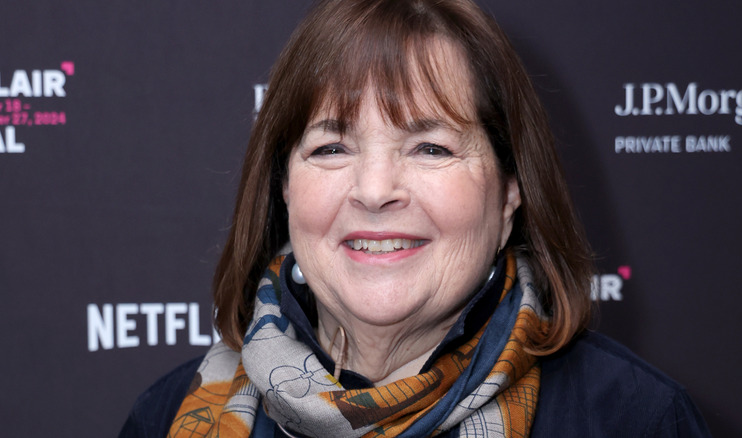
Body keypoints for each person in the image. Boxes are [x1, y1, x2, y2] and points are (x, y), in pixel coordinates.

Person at [121, 0, 711, 436]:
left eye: (431, 148)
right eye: (331, 148)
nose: (375, 191)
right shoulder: (165, 417)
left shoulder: (634, 419)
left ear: (510, 191)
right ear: (283, 189)